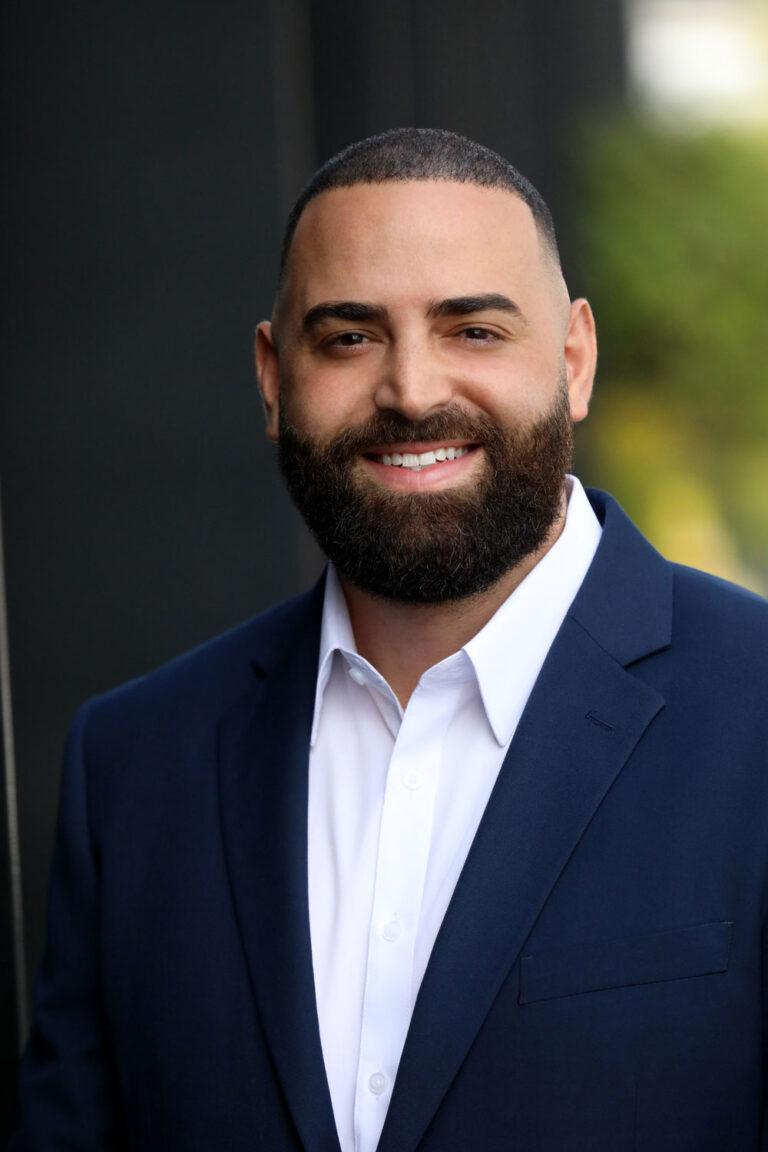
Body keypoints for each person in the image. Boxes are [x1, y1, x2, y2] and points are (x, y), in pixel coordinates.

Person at [11, 127, 768, 1151]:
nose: (412, 392)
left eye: (474, 331)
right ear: (275, 377)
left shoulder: (754, 708)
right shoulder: (139, 764)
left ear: (575, 360)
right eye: (350, 337)